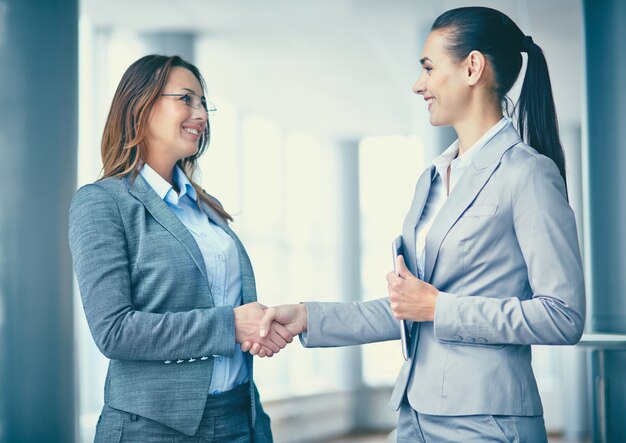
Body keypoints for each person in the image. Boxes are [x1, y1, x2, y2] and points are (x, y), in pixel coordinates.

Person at [249, 6, 585, 442]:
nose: (418, 85)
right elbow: (408, 308)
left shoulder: (527, 173)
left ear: (473, 67)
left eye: (428, 68)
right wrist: (307, 317)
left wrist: (438, 308)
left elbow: (562, 316)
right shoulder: (431, 179)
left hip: (488, 423)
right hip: (415, 417)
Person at [69, 54, 292, 442]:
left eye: (204, 103)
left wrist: (254, 327)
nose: (201, 114)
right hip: (153, 428)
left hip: (239, 416)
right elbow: (114, 331)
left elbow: (215, 300)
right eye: (186, 99)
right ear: (141, 105)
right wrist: (231, 324)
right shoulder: (103, 203)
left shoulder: (205, 208)